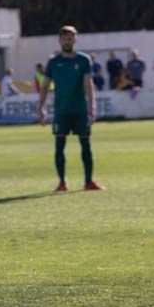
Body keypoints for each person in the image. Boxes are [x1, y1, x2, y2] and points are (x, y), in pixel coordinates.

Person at [37, 26, 103, 192]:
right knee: (59, 146)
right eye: (64, 39)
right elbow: (44, 87)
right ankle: (62, 182)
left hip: (80, 110)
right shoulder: (53, 62)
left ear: (75, 39)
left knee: (86, 145)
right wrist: (41, 108)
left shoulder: (84, 60)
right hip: (61, 111)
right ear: (59, 40)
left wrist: (92, 108)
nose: (67, 41)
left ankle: (88, 181)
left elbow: (88, 85)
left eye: (70, 38)